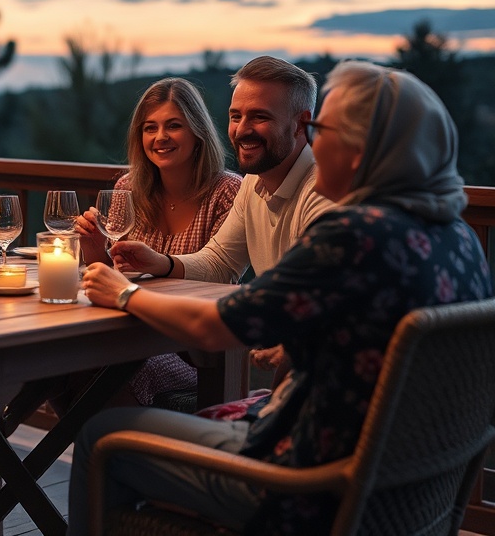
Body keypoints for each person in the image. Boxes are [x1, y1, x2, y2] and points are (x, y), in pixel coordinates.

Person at [68, 61, 493, 535]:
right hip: (404, 487)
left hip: (305, 484)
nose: (313, 141)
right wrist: (161, 263)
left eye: (319, 128)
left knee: (106, 437)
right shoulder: (457, 236)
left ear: (362, 150)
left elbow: (216, 327)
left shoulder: (353, 234)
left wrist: (122, 292)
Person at [110, 56, 334, 395]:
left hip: (319, 387)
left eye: (259, 117)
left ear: (302, 123)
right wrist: (162, 262)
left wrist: (126, 294)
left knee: (103, 418)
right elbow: (219, 261)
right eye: (235, 116)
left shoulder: (322, 190)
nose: (242, 129)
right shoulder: (252, 184)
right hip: (297, 378)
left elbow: (321, 301)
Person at [74, 77, 241, 409]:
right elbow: (112, 277)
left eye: (174, 126)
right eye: (150, 128)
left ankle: (112, 453)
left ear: (198, 132)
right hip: (125, 332)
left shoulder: (227, 192)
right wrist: (94, 248)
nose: (160, 137)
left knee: (98, 367)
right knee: (67, 362)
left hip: (195, 349)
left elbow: (223, 277)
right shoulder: (128, 187)